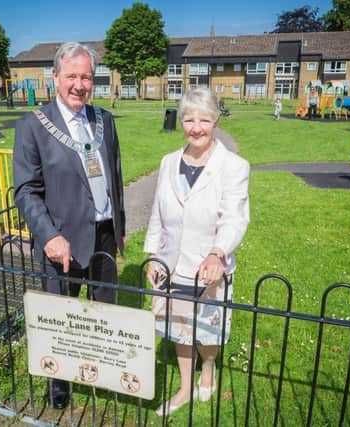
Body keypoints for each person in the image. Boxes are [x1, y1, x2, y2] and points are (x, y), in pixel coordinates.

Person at [13, 42, 125, 409]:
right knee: (62, 318)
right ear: (56, 78)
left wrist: (119, 223)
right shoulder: (33, 126)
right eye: (72, 76)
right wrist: (48, 236)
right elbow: (27, 191)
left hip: (104, 233)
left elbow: (115, 174)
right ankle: (58, 382)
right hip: (61, 240)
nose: (79, 85)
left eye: (87, 77)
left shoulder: (104, 119)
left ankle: (98, 371)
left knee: (102, 310)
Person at [143, 88, 250, 416]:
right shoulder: (168, 162)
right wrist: (151, 256)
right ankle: (186, 387)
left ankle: (208, 369)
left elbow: (235, 217)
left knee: (206, 330)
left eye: (204, 119)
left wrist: (218, 253)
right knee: (179, 329)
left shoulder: (234, 166)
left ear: (216, 120)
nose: (196, 127)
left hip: (209, 267)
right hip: (172, 265)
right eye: (189, 119)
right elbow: (157, 214)